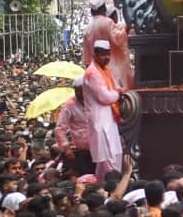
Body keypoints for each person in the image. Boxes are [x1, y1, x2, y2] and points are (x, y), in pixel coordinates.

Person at [83, 38, 128, 182]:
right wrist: (118, 94)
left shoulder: (105, 71)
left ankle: (105, 188)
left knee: (114, 156)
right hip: (100, 122)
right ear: (95, 55)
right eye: (103, 54)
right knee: (107, 160)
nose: (107, 57)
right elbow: (105, 97)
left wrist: (117, 91)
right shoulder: (92, 73)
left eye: (108, 54)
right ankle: (110, 189)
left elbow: (113, 89)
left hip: (109, 119)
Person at [53, 76, 91, 174]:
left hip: (99, 148)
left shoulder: (95, 100)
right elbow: (60, 129)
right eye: (76, 91)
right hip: (81, 151)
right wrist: (66, 148)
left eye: (81, 90)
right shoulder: (70, 105)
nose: (78, 94)